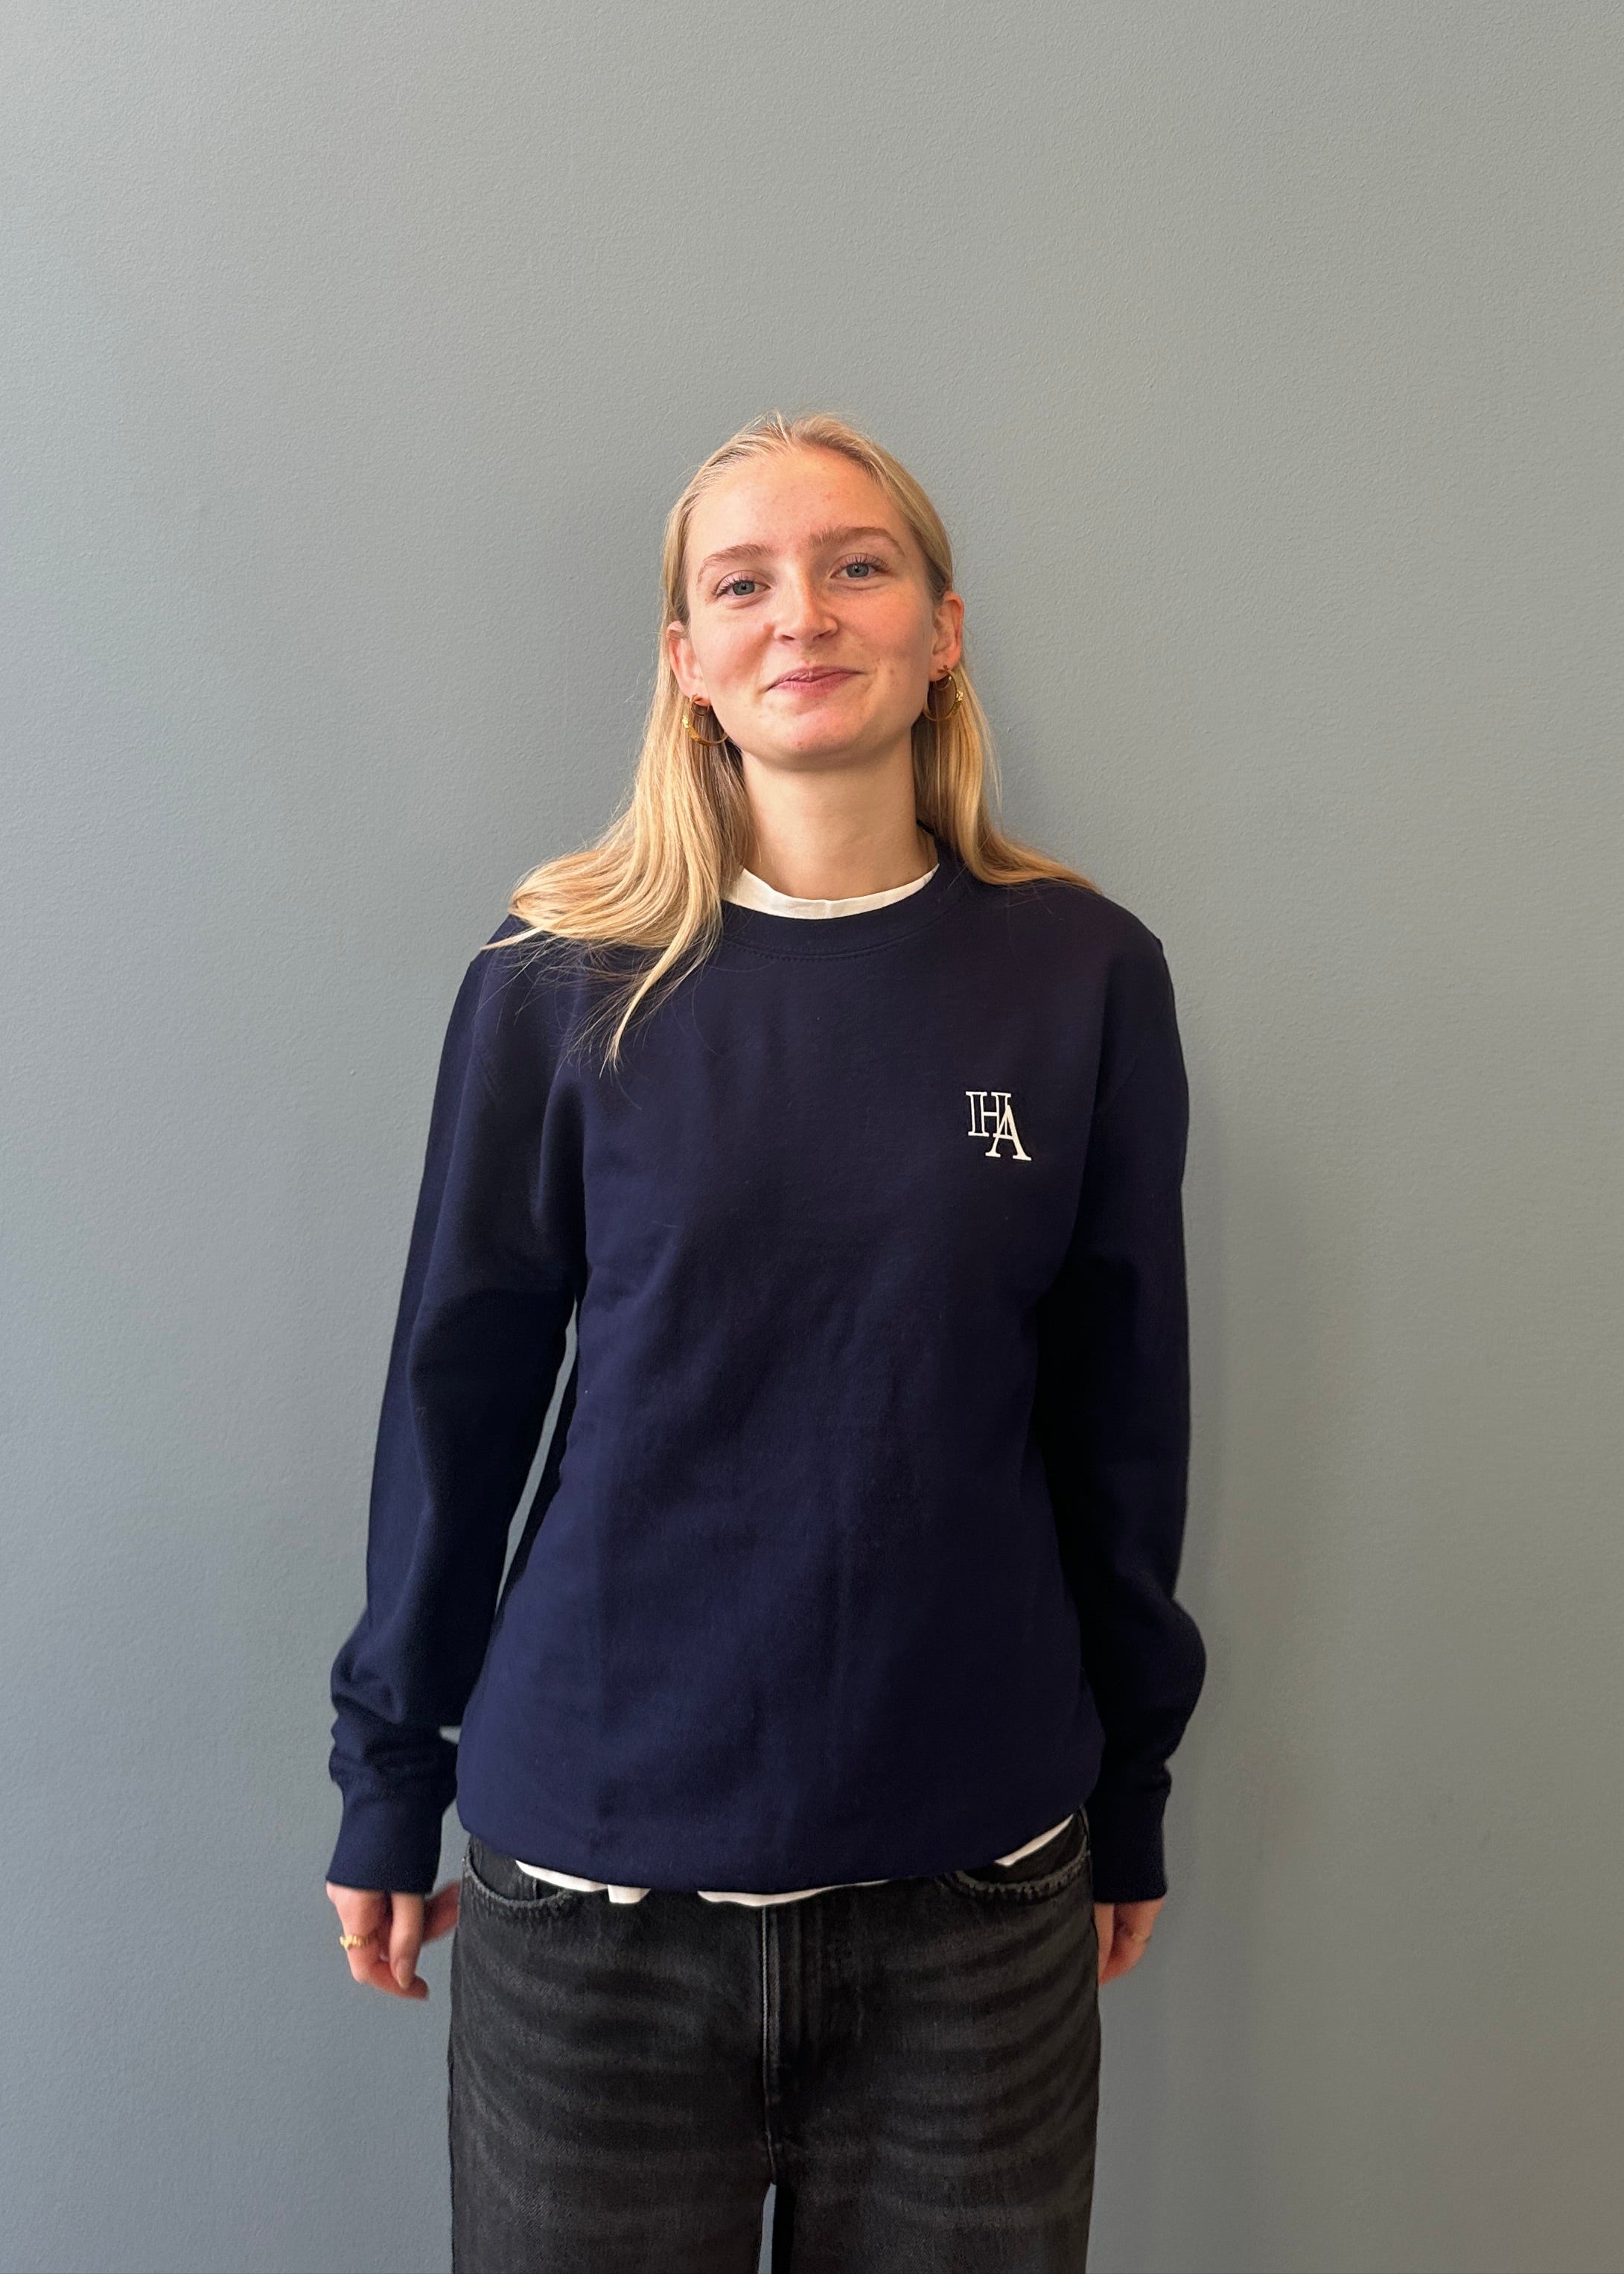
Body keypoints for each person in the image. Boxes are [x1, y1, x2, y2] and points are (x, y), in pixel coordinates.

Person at [324, 409, 1206, 2272]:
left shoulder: (1079, 976)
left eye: (854, 566)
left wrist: (1129, 1784)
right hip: (597, 1903)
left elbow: (1121, 1418)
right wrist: (389, 1772)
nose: (799, 613)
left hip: (975, 1904)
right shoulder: (558, 982)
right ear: (686, 660)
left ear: (940, 630)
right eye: (741, 583)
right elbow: (455, 1395)